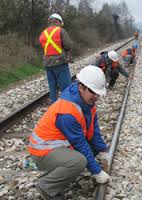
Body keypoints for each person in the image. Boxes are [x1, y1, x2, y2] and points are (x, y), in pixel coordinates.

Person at [28, 65, 110, 200]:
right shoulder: (67, 112)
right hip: (43, 152)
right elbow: (80, 144)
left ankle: (59, 172)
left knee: (91, 150)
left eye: (98, 93)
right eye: (93, 92)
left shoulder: (86, 102)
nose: (96, 97)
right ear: (81, 87)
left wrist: (102, 150)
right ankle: (46, 186)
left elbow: (94, 129)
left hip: (58, 147)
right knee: (79, 162)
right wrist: (97, 172)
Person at [39, 13, 73, 103]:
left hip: (48, 64)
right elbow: (68, 45)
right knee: (65, 86)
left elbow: (44, 46)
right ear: (58, 21)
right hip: (60, 63)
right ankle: (66, 104)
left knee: (52, 87)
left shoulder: (43, 33)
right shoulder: (61, 31)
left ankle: (54, 105)